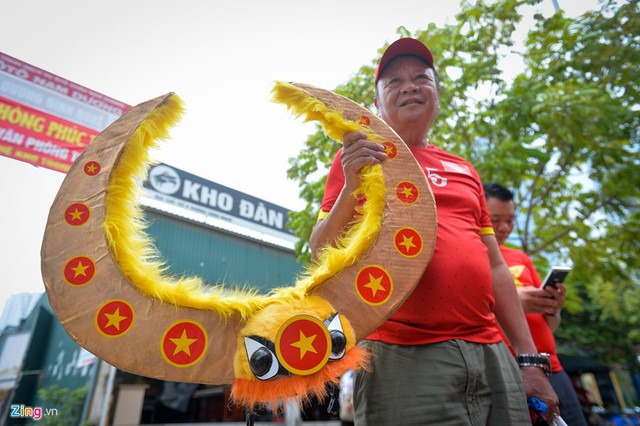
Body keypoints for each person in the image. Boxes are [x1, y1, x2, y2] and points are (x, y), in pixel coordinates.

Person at [309, 37, 559, 425]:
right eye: (393, 81)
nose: (409, 86)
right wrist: (352, 187)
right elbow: (320, 251)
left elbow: (495, 269)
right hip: (402, 354)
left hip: (491, 349)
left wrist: (529, 361)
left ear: (437, 93)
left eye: (420, 77)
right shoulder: (358, 161)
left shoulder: (465, 169)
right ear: (376, 104)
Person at [484, 182, 588, 426]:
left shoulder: (520, 257)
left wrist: (553, 306)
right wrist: (513, 303)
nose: (504, 228)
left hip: (551, 364)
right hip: (510, 365)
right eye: (495, 219)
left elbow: (549, 327)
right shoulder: (472, 258)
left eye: (510, 220)